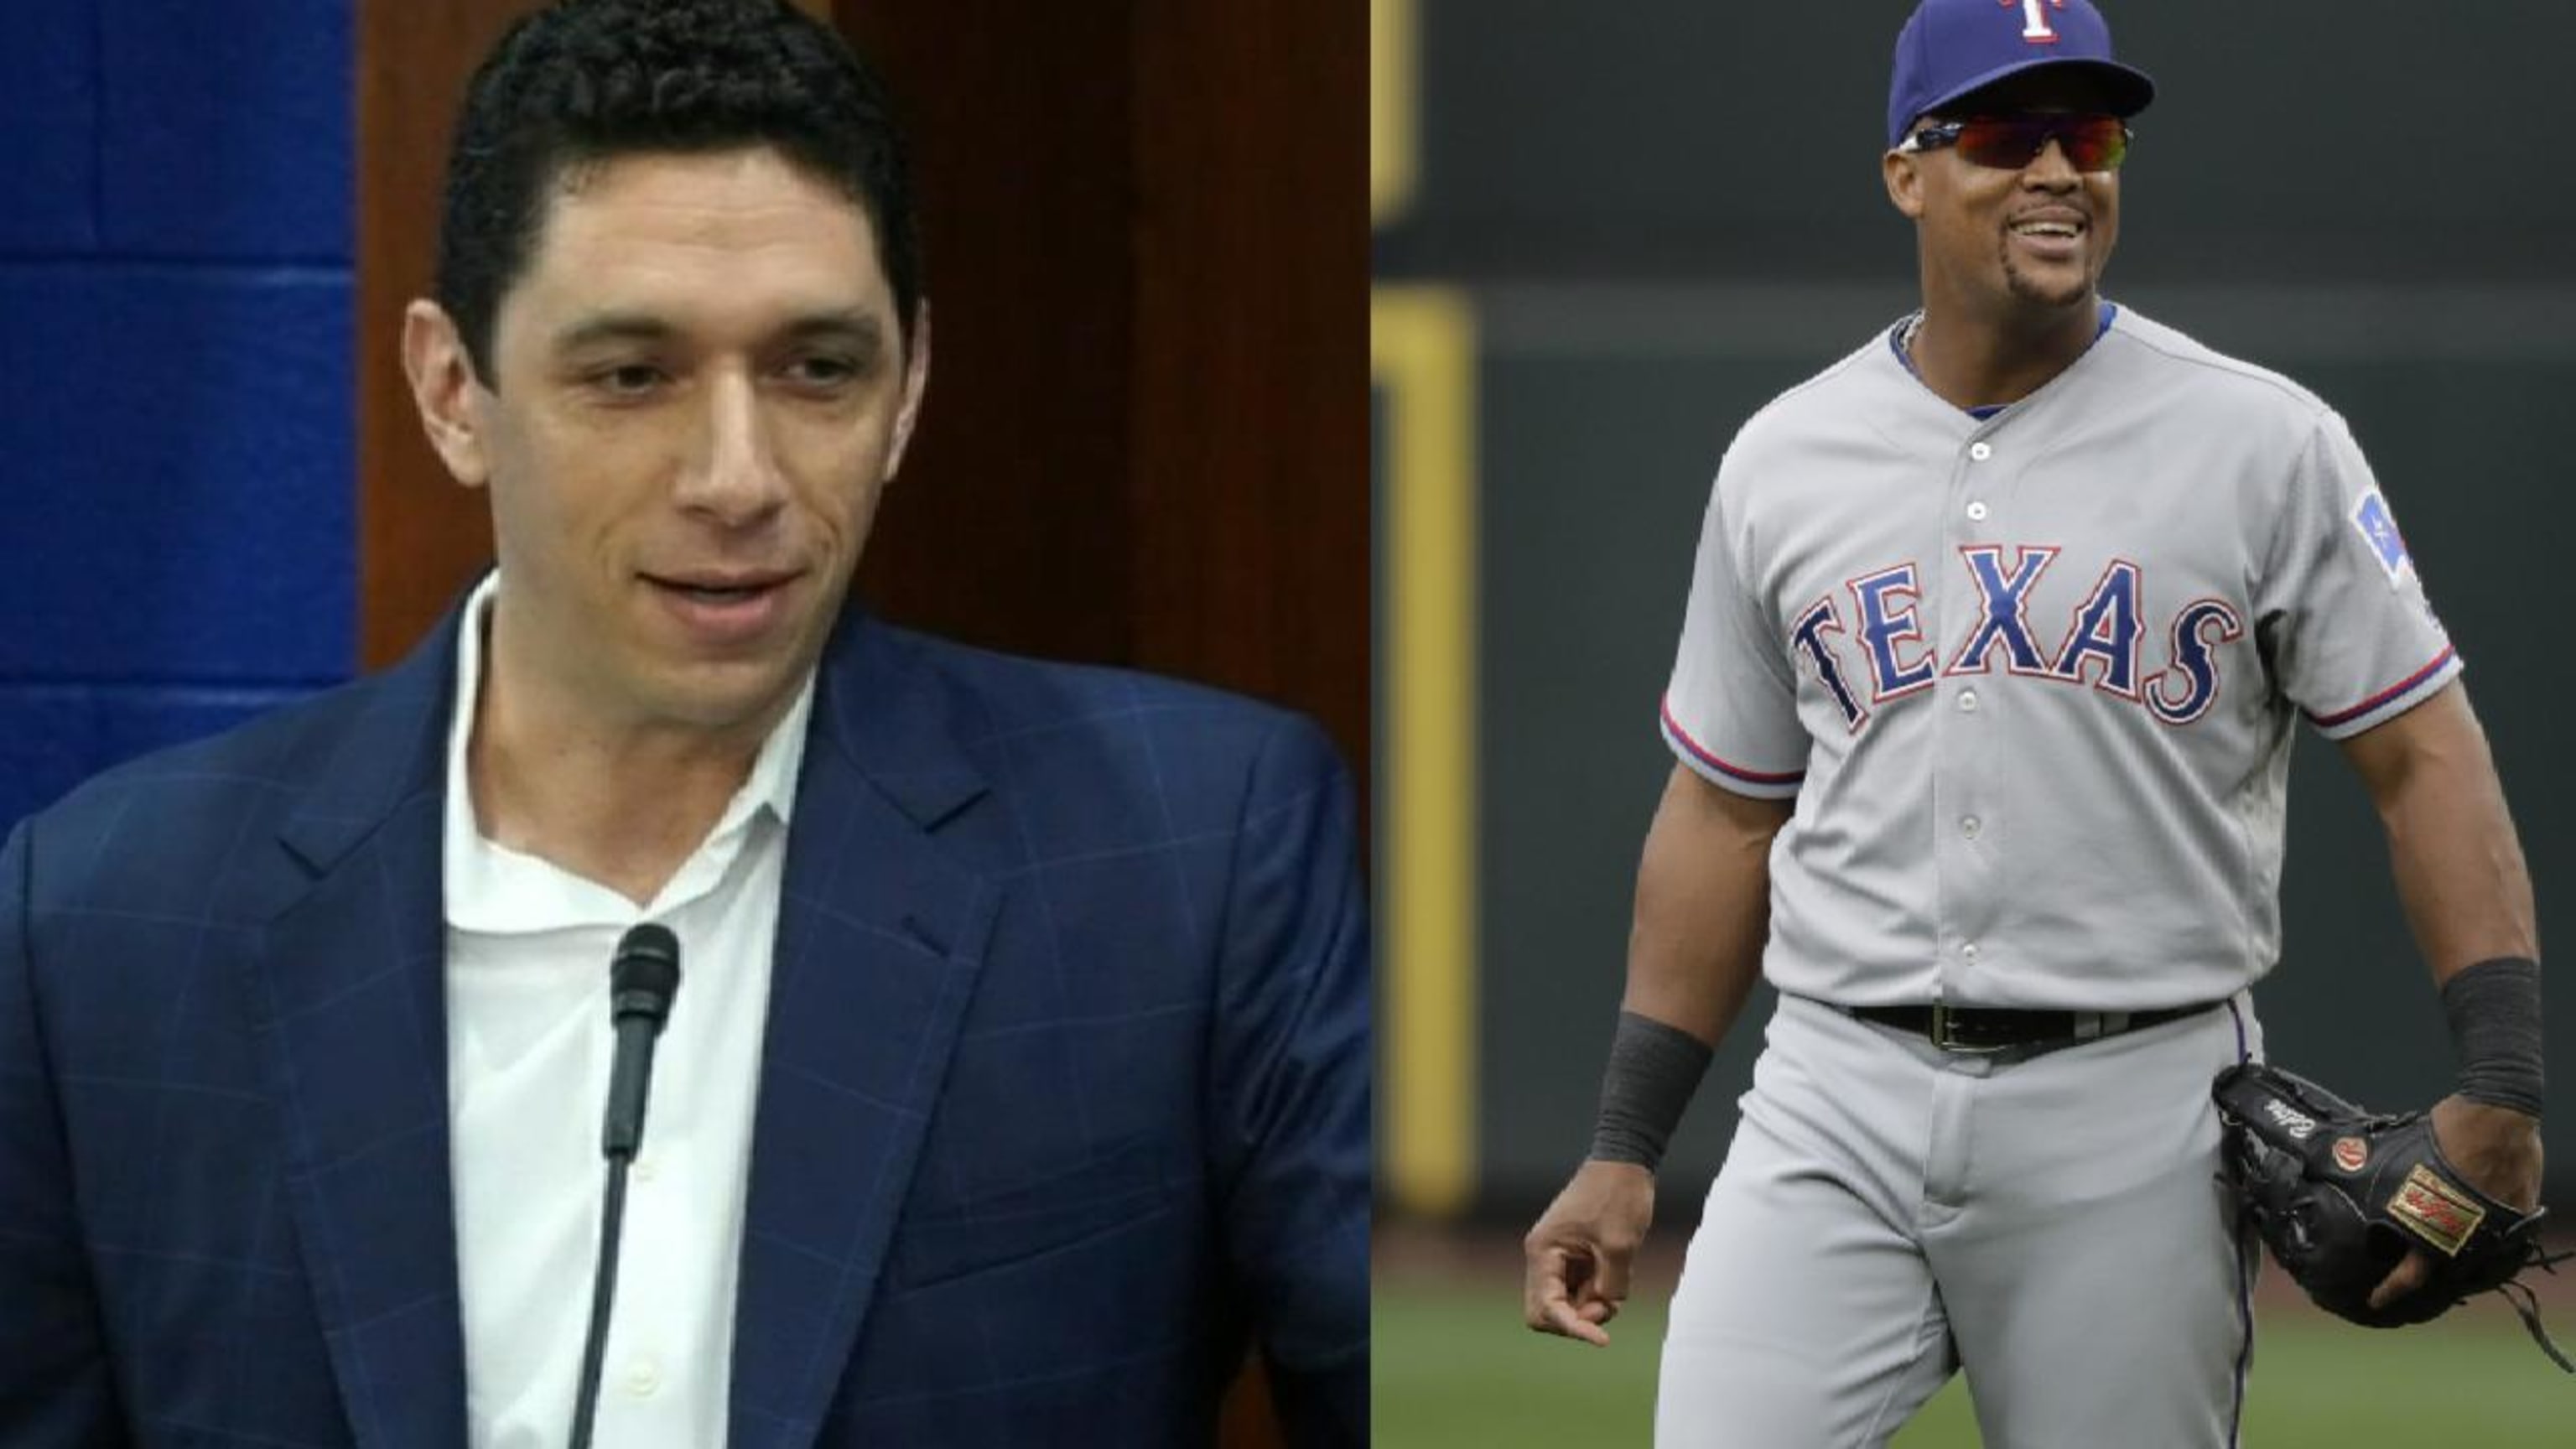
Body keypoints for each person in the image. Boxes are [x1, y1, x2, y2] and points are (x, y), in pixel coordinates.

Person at [0, 3, 1366, 1446]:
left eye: (815, 370)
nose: (737, 476)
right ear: (453, 391)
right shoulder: (106, 922)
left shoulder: (1191, 854)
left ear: (908, 387)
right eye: (633, 374)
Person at [1519, 1, 2544, 1444]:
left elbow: (2423, 751)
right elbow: (1726, 809)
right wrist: (1626, 1146)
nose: (2062, 168)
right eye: (2007, 134)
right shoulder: (1784, 460)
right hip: (1834, 1091)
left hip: (2135, 1105)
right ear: (1907, 172)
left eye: (2093, 132)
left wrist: (2502, 1079)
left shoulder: (2265, 440)